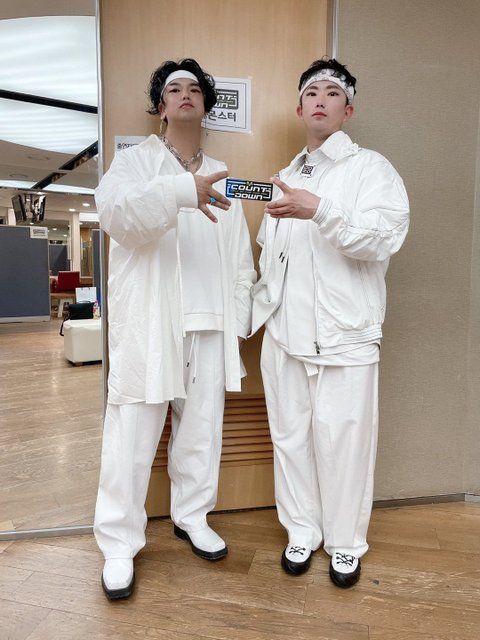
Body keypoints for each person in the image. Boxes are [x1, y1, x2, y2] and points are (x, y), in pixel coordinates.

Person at [93, 58, 256, 599]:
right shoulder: (134, 163)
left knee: (202, 430)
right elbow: (118, 217)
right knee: (131, 436)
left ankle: (193, 516)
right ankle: (119, 544)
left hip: (210, 321)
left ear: (205, 105)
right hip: (151, 321)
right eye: (173, 88)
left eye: (194, 89)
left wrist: (238, 318)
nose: (185, 94)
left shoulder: (225, 173)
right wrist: (183, 191)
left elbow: (240, 258)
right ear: (160, 106)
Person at [251, 58, 409, 588]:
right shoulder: (285, 176)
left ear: (348, 110)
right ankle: (302, 531)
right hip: (284, 338)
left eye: (332, 93)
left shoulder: (372, 170)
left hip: (345, 338)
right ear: (300, 109)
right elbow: (270, 253)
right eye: (311, 93)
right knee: (290, 440)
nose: (320, 99)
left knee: (345, 446)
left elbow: (383, 238)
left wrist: (320, 211)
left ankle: (344, 544)